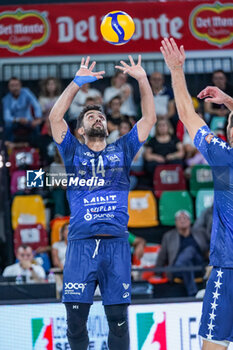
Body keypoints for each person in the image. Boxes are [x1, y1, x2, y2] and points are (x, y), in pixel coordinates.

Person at [49, 55, 156, 350]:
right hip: (81, 245)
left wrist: (143, 79)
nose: (98, 118)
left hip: (115, 246)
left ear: (108, 128)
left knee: (119, 323)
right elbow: (55, 119)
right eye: (91, 117)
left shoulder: (122, 149)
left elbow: (149, 119)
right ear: (81, 130)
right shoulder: (72, 151)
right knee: (74, 322)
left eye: (102, 117)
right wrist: (75, 83)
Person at [160, 37, 233, 350]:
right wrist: (228, 100)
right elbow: (190, 118)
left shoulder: (224, 157)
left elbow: (188, 117)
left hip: (227, 269)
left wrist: (176, 71)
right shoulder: (224, 157)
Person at [156, 210, 208, 296]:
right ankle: (193, 294)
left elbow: (207, 250)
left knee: (190, 250)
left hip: (198, 266)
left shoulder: (200, 233)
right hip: (179, 270)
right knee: (186, 264)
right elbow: (162, 256)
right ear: (175, 222)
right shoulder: (168, 236)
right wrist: (157, 273)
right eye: (179, 218)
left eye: (185, 218)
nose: (182, 220)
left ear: (190, 221)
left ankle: (192, 292)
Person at [3, 77, 42, 142]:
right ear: (9, 87)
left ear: (20, 85)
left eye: (17, 85)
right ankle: (8, 146)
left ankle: (36, 147)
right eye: (12, 86)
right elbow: (7, 117)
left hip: (28, 121)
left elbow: (36, 105)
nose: (15, 88)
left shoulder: (26, 92)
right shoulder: (6, 99)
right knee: (7, 126)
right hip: (15, 122)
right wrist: (18, 120)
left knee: (36, 126)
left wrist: (38, 118)